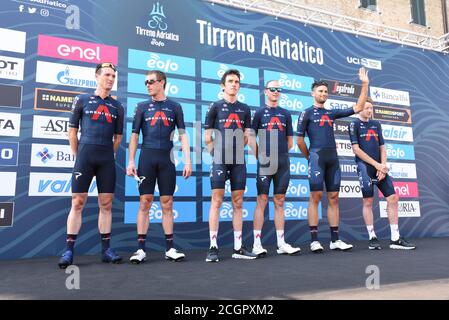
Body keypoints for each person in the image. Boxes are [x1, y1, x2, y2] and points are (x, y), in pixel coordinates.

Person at [58, 62, 124, 269]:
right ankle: (69, 250)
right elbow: (72, 131)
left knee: (106, 204)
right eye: (107, 75)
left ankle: (106, 250)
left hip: (106, 159)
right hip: (85, 156)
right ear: (97, 77)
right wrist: (80, 155)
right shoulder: (83, 100)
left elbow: (118, 138)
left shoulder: (117, 106)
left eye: (113, 76)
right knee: (77, 202)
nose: (111, 79)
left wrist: (107, 154)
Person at [296, 67, 369, 253]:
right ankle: (314, 240)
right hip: (317, 157)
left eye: (326, 91)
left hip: (333, 159)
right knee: (315, 197)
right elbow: (299, 140)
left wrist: (365, 83)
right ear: (313, 93)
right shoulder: (306, 113)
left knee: (334, 198)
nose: (323, 93)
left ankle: (335, 240)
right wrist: (310, 157)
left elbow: (358, 107)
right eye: (320, 91)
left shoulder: (331, 113)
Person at [126, 70, 192, 263]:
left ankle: (170, 248)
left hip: (167, 159)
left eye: (151, 81)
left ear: (162, 83)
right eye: (146, 82)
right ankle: (140, 250)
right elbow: (134, 136)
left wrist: (187, 160)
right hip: (147, 156)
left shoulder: (175, 107)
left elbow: (183, 135)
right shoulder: (141, 107)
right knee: (145, 201)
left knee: (167, 203)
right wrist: (131, 160)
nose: (148, 85)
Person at [204, 69, 258, 262]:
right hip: (219, 159)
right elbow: (207, 137)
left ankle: (238, 247)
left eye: (236, 82)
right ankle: (213, 246)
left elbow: (246, 136)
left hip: (238, 161)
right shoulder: (215, 107)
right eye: (230, 81)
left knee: (238, 202)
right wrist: (216, 155)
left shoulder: (245, 109)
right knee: (216, 201)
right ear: (223, 85)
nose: (234, 84)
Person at [349, 97, 416, 250]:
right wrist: (376, 165)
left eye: (371, 108)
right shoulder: (353, 124)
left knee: (393, 197)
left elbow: (382, 147)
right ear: (360, 108)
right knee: (368, 202)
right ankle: (372, 237)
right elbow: (356, 150)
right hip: (364, 167)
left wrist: (383, 167)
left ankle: (395, 238)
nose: (369, 110)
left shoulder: (376, 124)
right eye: (366, 108)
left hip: (380, 168)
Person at [249, 80, 301, 257]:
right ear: (266, 91)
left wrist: (280, 157)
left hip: (283, 163)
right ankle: (257, 243)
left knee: (279, 201)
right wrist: (261, 157)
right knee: (262, 200)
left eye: (279, 89)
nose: (276, 92)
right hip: (265, 162)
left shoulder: (285, 114)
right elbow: (250, 138)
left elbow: (290, 142)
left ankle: (281, 243)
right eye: (273, 89)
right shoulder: (259, 113)